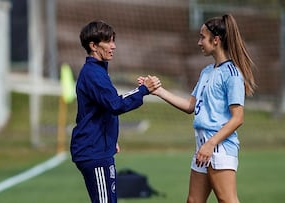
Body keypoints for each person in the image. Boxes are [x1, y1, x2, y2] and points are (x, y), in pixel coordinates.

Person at [140, 14, 256, 203]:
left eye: (203, 37)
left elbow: (238, 118)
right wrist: (159, 91)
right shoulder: (207, 71)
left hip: (218, 146)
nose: (199, 42)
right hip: (203, 145)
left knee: (227, 200)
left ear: (216, 40)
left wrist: (210, 145)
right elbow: (190, 106)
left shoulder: (233, 74)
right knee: (194, 201)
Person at [70, 20, 161, 203]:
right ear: (93, 46)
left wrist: (110, 138)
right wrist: (144, 90)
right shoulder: (93, 74)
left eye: (113, 40)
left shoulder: (97, 71)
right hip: (94, 152)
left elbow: (98, 110)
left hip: (100, 148)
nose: (114, 46)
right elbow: (115, 104)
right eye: (108, 41)